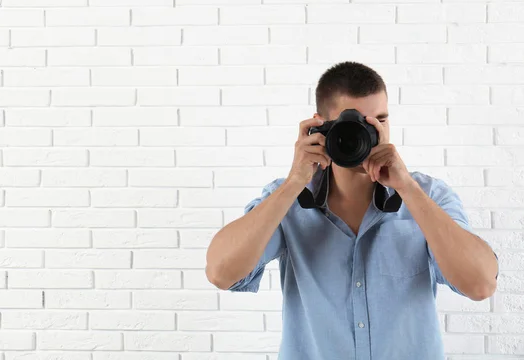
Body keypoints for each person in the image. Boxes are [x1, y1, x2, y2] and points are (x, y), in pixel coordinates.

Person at [205, 61, 499, 360]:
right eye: (355, 126)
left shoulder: (429, 195)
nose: (369, 138)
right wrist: (295, 182)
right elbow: (222, 274)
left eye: (379, 122)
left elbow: (480, 285)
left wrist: (407, 188)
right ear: (320, 126)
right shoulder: (288, 199)